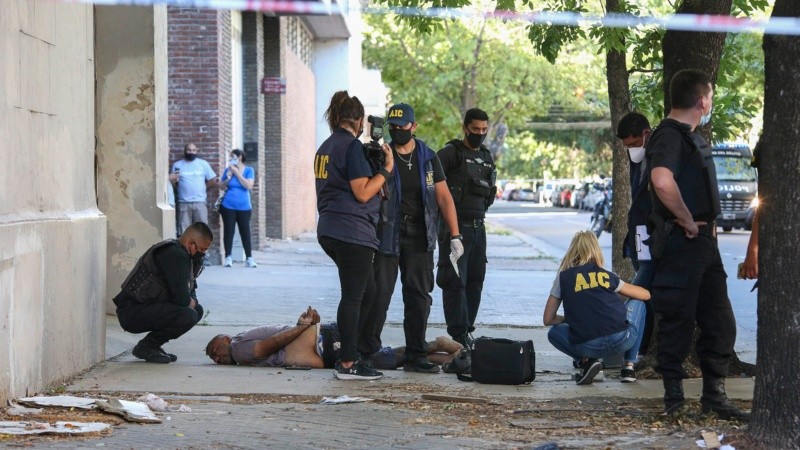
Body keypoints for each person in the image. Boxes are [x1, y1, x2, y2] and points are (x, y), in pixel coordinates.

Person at [646, 69, 748, 420]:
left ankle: (714, 397)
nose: (712, 102)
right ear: (702, 100)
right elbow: (661, 181)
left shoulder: (691, 136)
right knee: (678, 322)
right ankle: (673, 400)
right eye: (712, 96)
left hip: (703, 244)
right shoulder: (669, 136)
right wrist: (688, 219)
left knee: (719, 322)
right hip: (683, 242)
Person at [359, 103, 463, 374]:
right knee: (379, 296)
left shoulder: (428, 158)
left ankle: (416, 355)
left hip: (420, 237)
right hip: (388, 234)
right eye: (392, 128)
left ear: (413, 126)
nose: (396, 132)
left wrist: (455, 235)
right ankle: (366, 354)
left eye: (401, 127)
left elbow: (443, 198)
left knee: (418, 297)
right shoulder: (382, 155)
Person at [314, 91, 394, 380]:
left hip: (331, 229)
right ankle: (348, 363)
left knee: (368, 292)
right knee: (354, 296)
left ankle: (356, 352)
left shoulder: (326, 146)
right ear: (359, 120)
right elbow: (362, 192)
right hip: (352, 232)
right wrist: (386, 170)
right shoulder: (351, 147)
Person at [543, 231, 651, 385]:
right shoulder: (606, 276)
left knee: (553, 332)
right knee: (639, 302)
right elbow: (645, 295)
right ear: (596, 250)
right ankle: (628, 367)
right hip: (621, 339)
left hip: (587, 346)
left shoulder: (563, 278)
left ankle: (586, 362)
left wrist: (572, 320)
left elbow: (548, 319)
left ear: (572, 252)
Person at [205, 307, 464, 369]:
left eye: (215, 349)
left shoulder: (238, 349)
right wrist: (301, 326)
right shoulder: (241, 340)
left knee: (382, 358)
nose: (216, 356)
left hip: (324, 345)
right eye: (212, 358)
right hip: (324, 340)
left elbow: (265, 348)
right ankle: (448, 359)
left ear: (226, 338)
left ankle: (436, 344)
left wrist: (301, 327)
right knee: (386, 358)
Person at [436, 108, 496, 349]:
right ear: (465, 128)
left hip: (478, 228)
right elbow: (432, 188)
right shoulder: (451, 154)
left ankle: (467, 330)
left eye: (484, 130)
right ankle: (458, 332)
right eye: (475, 130)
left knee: (475, 280)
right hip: (454, 228)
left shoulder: (486, 157)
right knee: (454, 280)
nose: (479, 134)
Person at [112, 222, 212, 363]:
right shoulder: (175, 254)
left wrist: (192, 301)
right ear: (191, 244)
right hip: (131, 312)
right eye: (202, 249)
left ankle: (152, 345)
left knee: (196, 311)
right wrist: (190, 301)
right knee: (188, 315)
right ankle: (147, 346)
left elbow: (191, 290)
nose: (203, 254)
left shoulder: (185, 255)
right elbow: (182, 300)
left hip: (145, 308)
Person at [614, 112, 656, 380]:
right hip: (639, 233)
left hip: (653, 235)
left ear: (645, 134)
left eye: (632, 144)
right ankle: (637, 349)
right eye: (626, 147)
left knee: (640, 291)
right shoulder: (636, 159)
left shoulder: (659, 156)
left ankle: (632, 352)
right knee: (643, 293)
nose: (630, 150)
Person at [219, 149, 256, 268]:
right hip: (228, 206)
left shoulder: (249, 170)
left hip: (244, 207)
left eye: (233, 157)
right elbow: (220, 186)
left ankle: (249, 258)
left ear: (239, 157)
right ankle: (228, 257)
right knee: (229, 231)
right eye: (230, 157)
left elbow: (249, 185)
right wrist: (228, 178)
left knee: (245, 232)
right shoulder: (228, 170)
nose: (231, 159)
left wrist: (237, 173)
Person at [170, 143, 218, 234]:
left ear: (196, 151)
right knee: (183, 231)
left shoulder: (203, 164)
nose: (191, 152)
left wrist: (204, 187)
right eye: (189, 150)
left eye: (193, 150)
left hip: (200, 202)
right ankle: (184, 249)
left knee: (202, 231)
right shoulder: (177, 165)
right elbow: (172, 182)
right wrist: (179, 189)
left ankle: (202, 249)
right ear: (185, 151)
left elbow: (212, 180)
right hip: (184, 203)